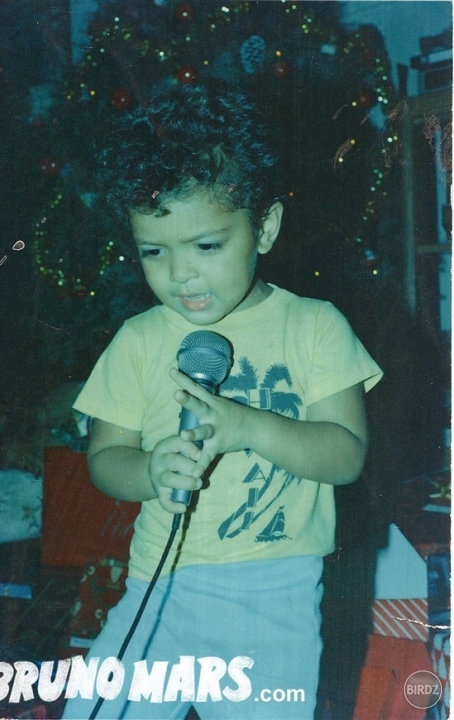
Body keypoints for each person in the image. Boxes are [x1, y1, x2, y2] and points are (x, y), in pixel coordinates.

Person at [62, 80, 382, 720]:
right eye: (154, 251)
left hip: (272, 598)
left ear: (264, 227)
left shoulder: (314, 326)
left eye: (207, 246)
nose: (180, 274)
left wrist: (247, 427)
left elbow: (345, 455)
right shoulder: (138, 339)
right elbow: (106, 459)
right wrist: (149, 470)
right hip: (157, 589)